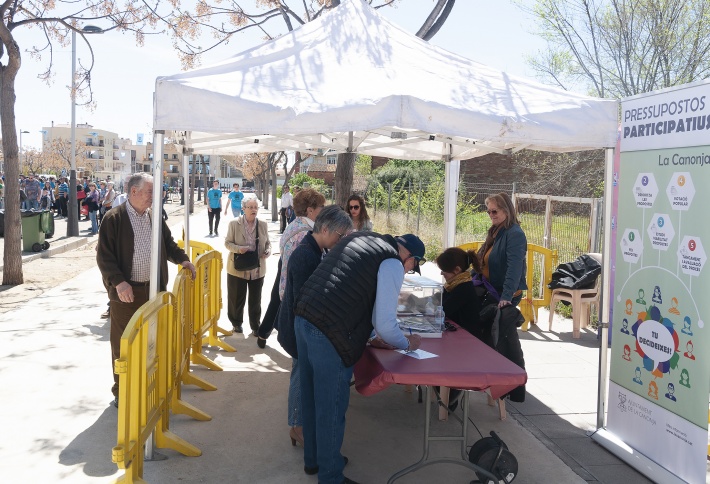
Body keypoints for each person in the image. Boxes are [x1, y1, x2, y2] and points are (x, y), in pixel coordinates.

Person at [293, 232, 425, 483]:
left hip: (304, 316)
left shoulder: (362, 239)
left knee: (311, 398)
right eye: (412, 267)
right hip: (329, 331)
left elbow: (352, 290)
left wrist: (373, 335)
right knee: (331, 407)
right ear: (409, 257)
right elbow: (385, 323)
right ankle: (330, 475)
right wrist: (406, 343)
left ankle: (314, 461)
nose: (408, 272)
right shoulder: (392, 262)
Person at [96, 173, 196, 408]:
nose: (155, 196)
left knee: (152, 340)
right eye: (150, 192)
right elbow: (104, 257)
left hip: (154, 291)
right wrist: (119, 282)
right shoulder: (114, 219)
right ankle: (122, 390)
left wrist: (183, 260)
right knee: (123, 344)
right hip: (126, 294)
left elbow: (169, 244)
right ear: (134, 192)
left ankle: (148, 384)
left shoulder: (155, 217)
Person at [275, 205, 353, 449]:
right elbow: (304, 303)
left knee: (302, 375)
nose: (341, 242)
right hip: (297, 328)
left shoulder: (315, 249)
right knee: (300, 376)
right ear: (326, 229)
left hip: (300, 327)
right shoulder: (306, 255)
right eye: (340, 237)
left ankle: (299, 424)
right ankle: (297, 427)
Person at [256, 189, 326, 349]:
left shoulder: (295, 225)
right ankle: (266, 331)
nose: (324, 210)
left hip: (286, 277)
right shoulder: (305, 233)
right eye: (321, 206)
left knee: (275, 302)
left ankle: (263, 332)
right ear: (310, 210)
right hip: (294, 289)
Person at [224, 198, 271, 335]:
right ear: (243, 209)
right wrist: (239, 249)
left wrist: (267, 251)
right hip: (237, 268)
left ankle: (255, 326)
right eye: (250, 207)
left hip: (257, 268)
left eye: (255, 207)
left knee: (255, 300)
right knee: (236, 299)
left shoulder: (262, 224)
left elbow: (267, 242)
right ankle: (236, 323)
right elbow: (227, 243)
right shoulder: (234, 224)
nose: (253, 209)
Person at [474, 192, 527, 309]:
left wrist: (506, 296)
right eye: (489, 212)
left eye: (494, 211)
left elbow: (515, 268)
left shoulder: (515, 234)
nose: (491, 215)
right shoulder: (495, 231)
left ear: (506, 211)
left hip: (502, 294)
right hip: (489, 288)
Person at [435, 247, 484, 341]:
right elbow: (436, 298)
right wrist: (412, 299)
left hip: (468, 339)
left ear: (457, 270)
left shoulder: (464, 289)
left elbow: (443, 310)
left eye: (444, 269)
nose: (441, 273)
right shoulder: (453, 285)